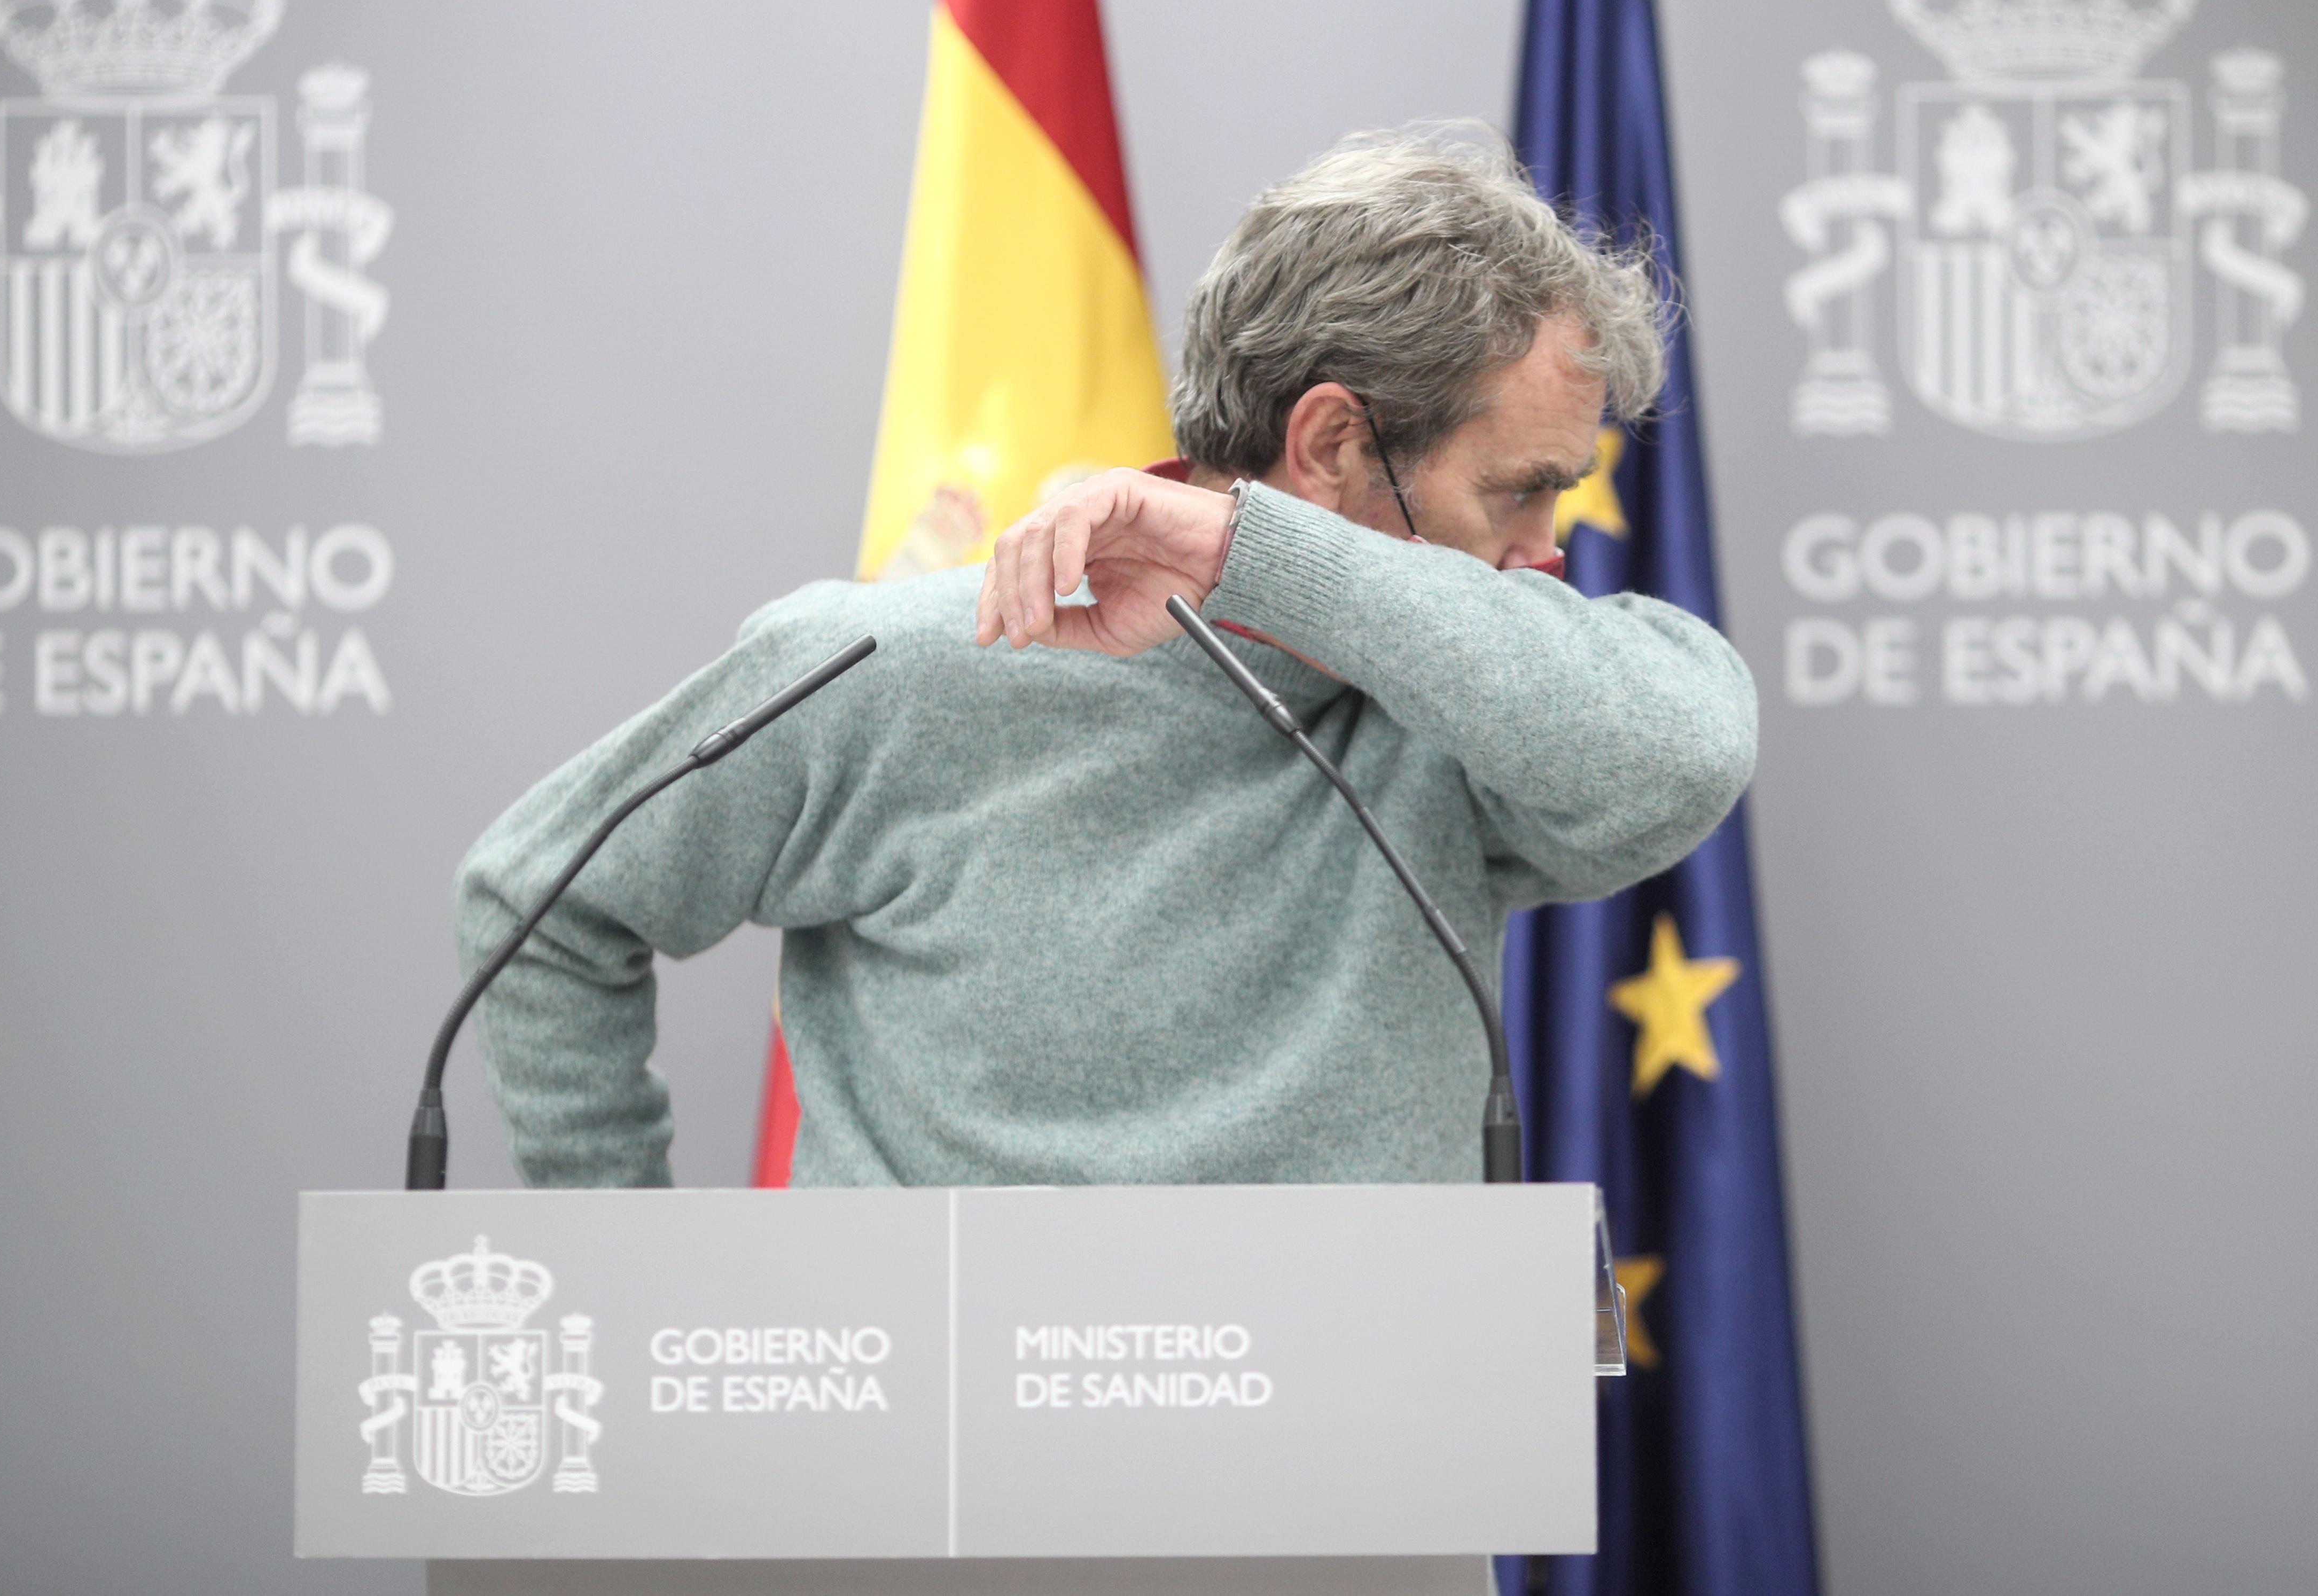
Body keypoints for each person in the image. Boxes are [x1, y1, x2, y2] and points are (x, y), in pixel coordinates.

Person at [458, 128, 1756, 1189]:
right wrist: (626, 1275)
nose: (1545, 551)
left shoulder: (1463, 701)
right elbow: (542, 898)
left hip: (1340, 1472)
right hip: (930, 1472)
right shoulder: (879, 664)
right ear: (1332, 444)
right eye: (1517, 492)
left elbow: (1681, 755)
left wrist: (1265, 560)